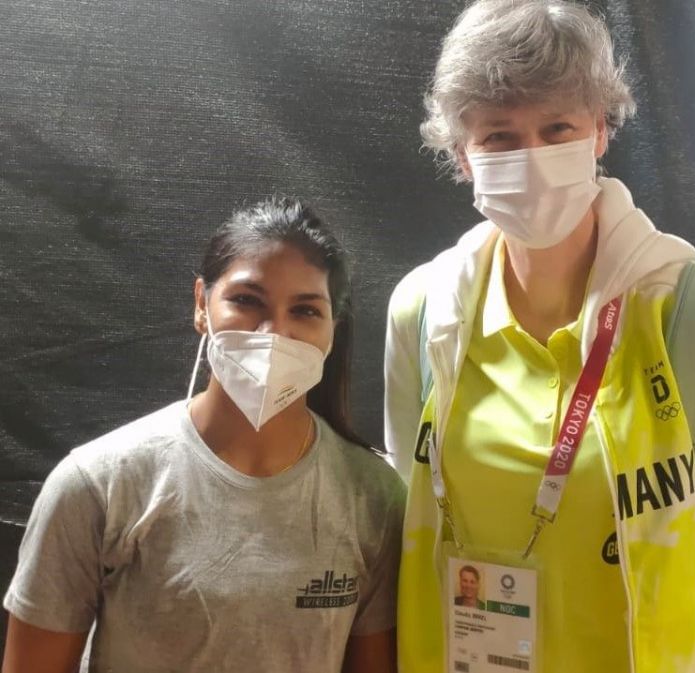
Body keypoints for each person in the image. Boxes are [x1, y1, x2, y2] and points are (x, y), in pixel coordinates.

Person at [383, 2, 695, 672]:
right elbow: (407, 515)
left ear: (601, 130)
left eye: (558, 128)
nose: (533, 158)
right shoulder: (423, 312)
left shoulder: (694, 314)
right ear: (461, 152)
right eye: (498, 137)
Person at [3, 196, 405, 673]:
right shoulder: (98, 485)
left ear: (332, 331)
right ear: (201, 304)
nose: (273, 333)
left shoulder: (374, 497)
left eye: (305, 311)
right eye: (247, 301)